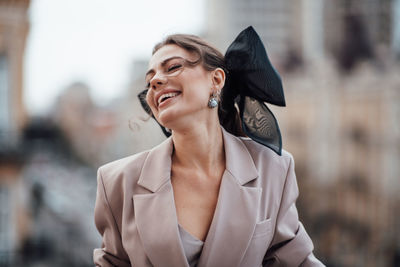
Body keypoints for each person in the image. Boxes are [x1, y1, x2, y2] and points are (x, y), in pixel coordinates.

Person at [93, 26, 325, 267]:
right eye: (150, 79)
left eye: (172, 67)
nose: (155, 81)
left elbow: (296, 261)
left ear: (216, 80)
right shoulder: (116, 182)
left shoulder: (274, 168)